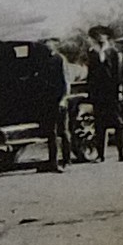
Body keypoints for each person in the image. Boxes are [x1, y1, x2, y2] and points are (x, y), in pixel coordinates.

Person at [86, 25, 123, 163]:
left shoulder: (114, 52)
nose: (100, 37)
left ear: (107, 36)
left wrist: (119, 91)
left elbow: (118, 73)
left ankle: (121, 154)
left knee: (118, 123)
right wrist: (91, 93)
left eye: (102, 35)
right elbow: (91, 75)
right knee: (99, 125)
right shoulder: (93, 53)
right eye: (97, 35)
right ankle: (101, 155)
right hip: (99, 94)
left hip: (112, 93)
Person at [38, 37, 71, 173]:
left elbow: (66, 81)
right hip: (48, 100)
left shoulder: (60, 59)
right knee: (51, 132)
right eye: (45, 44)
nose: (47, 46)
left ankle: (67, 160)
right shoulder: (43, 60)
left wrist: (64, 99)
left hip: (59, 99)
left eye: (49, 44)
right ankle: (53, 162)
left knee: (63, 131)